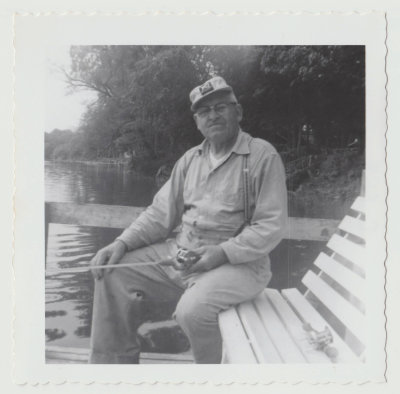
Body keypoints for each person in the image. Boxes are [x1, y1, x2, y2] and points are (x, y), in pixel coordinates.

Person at [89, 76, 288, 364]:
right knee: (112, 272)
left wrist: (220, 253)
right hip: (182, 257)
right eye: (204, 111)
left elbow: (271, 226)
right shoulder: (189, 160)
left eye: (221, 107)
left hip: (239, 265)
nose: (213, 115)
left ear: (238, 112)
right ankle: (111, 373)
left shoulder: (261, 156)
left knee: (191, 311)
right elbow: (159, 214)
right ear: (196, 121)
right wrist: (122, 242)